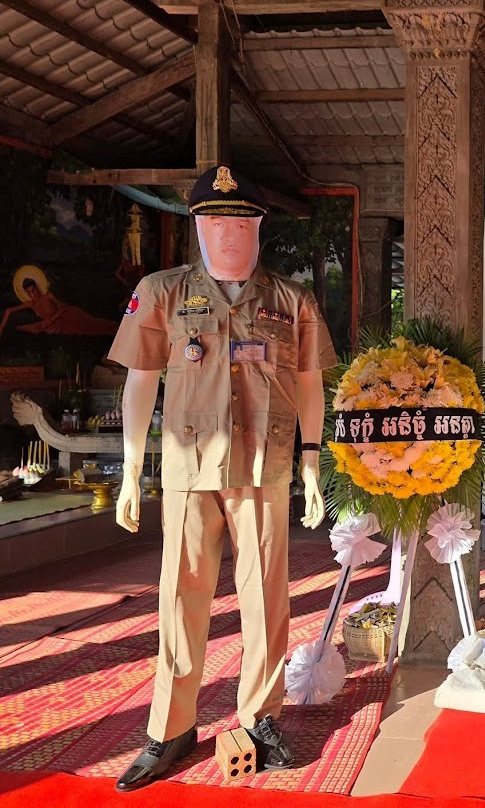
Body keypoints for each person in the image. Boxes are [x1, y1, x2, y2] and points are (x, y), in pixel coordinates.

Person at [107, 165, 338, 792]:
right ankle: (171, 728)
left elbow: (311, 384)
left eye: (241, 223)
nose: (229, 234)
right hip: (188, 466)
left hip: (266, 464)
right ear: (197, 227)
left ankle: (261, 718)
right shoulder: (162, 293)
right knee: (180, 596)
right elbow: (140, 381)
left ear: (260, 227)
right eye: (215, 222)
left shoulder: (292, 301)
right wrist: (131, 470)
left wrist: (312, 463)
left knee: (266, 595)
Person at [0, 274, 120, 340]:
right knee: (89, 332)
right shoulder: (30, 304)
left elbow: (63, 307)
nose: (32, 294)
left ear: (37, 288)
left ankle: (118, 328)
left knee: (93, 325)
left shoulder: (48, 296)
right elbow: (9, 310)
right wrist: (0, 329)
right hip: (55, 325)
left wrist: (51, 319)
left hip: (68, 315)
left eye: (33, 290)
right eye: (29, 293)